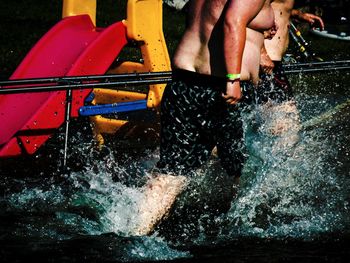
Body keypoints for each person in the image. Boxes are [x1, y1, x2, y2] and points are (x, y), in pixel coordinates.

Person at [131, 0, 276, 236]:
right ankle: (218, 230)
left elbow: (210, 21)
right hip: (222, 90)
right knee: (234, 166)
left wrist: (258, 42)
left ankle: (132, 232)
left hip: (184, 83)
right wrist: (233, 79)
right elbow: (232, 21)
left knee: (172, 171)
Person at [258, 0, 324, 138]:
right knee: (287, 127)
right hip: (266, 63)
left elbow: (275, 6)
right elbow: (243, 11)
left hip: (270, 62)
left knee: (254, 119)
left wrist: (297, 14)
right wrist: (261, 52)